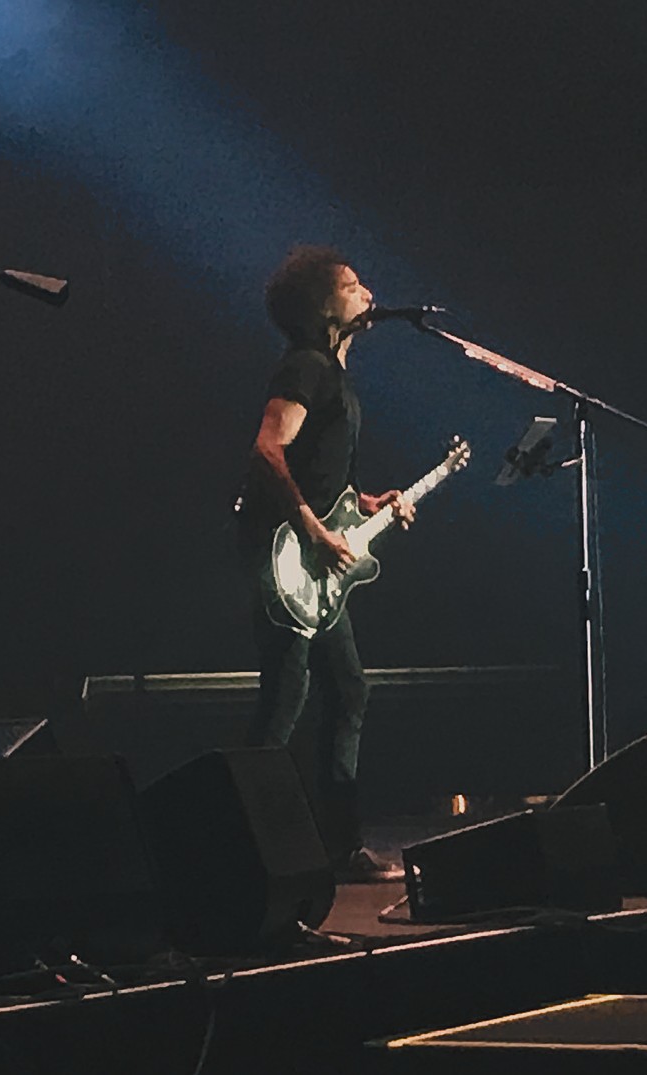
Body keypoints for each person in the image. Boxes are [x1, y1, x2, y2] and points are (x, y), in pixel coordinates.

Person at [237, 246, 413, 883]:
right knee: (289, 696)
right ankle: (237, 840)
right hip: (285, 561)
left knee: (343, 689)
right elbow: (267, 450)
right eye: (351, 284)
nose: (367, 292)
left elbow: (316, 469)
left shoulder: (332, 375)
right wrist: (312, 528)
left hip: (310, 564)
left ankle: (337, 846)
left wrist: (361, 504)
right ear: (321, 306)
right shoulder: (307, 366)